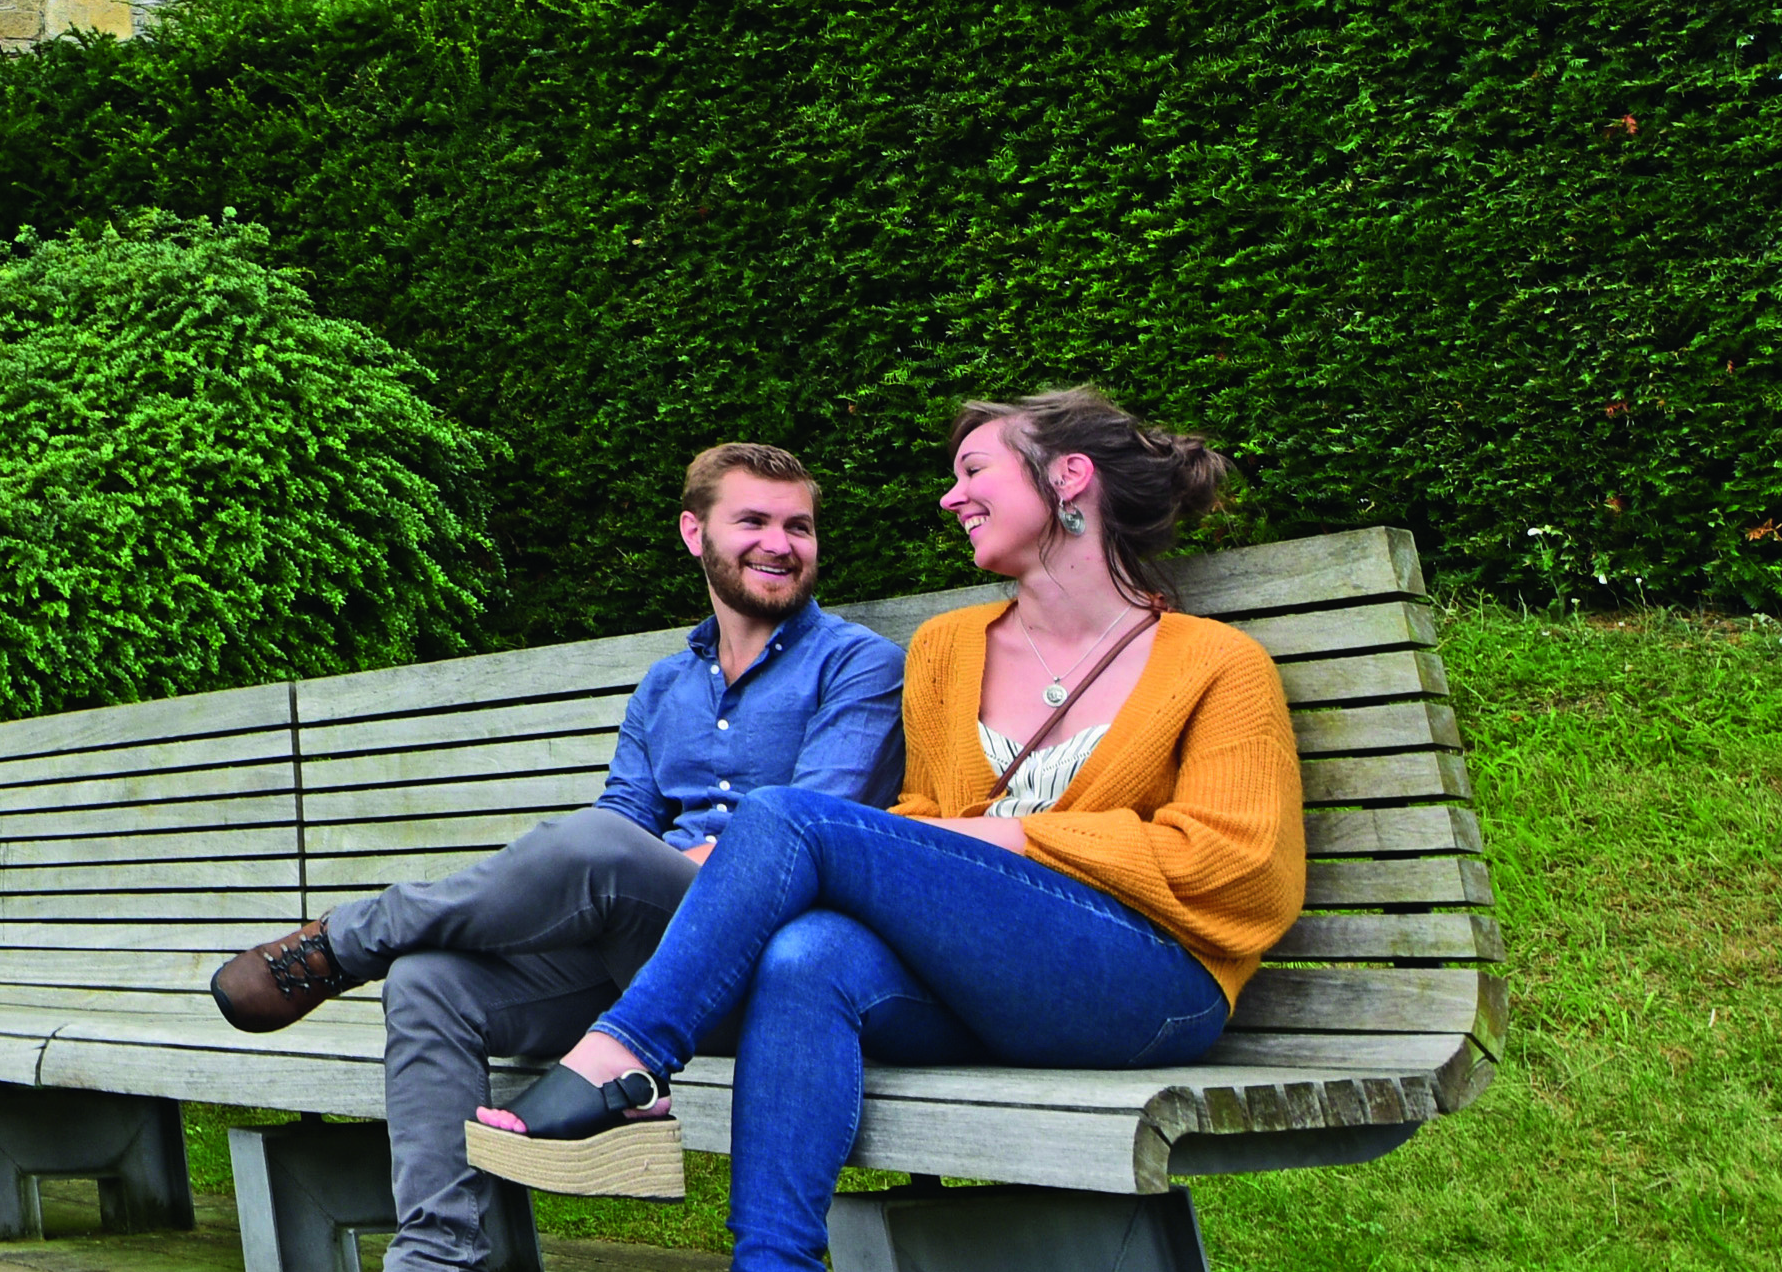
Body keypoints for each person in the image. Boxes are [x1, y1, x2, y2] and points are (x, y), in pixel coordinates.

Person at [465, 389, 1301, 1272]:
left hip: (1145, 986)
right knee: (808, 955)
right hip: (982, 975)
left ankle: (623, 1056)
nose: (951, 497)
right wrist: (964, 848)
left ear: (1070, 477)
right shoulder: (949, 649)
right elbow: (915, 828)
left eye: (974, 470)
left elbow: (1239, 866)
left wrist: (1016, 839)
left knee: (787, 816)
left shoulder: (1216, 664)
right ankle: (774, 1263)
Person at [204, 442, 900, 1272]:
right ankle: (435, 1256)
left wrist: (642, 858)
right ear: (694, 532)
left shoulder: (859, 665)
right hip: (642, 959)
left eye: (800, 526)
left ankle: (351, 936)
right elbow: (622, 826)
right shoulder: (663, 688)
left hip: (779, 973)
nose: (780, 544)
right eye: (752, 520)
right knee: (429, 983)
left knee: (602, 850)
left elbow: (807, 836)